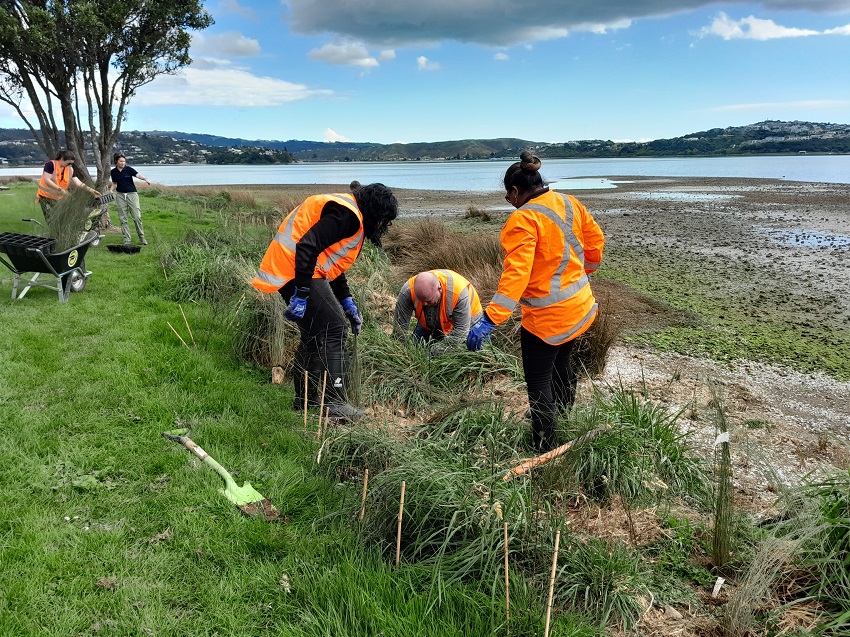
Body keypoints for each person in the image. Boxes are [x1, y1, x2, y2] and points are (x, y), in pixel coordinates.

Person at [466, 151, 605, 452]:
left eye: (508, 195)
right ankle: (564, 417)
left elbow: (516, 275)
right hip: (579, 307)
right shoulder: (570, 202)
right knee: (563, 367)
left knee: (539, 384)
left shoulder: (523, 219)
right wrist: (584, 272)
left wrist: (491, 319)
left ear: (515, 191)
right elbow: (595, 242)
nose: (508, 200)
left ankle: (545, 447)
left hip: (547, 320)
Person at [251, 183, 398, 421]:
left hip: (294, 269)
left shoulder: (346, 211)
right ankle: (335, 404)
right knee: (335, 329)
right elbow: (308, 245)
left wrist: (346, 299)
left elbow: (329, 261)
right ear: (375, 212)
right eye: (383, 220)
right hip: (296, 271)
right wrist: (302, 292)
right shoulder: (348, 215)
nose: (383, 227)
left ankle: (304, 402)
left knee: (313, 336)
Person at [393, 269, 482, 356]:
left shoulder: (458, 293)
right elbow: (399, 329)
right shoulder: (408, 291)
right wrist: (401, 353)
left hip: (471, 321)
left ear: (439, 288)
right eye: (421, 300)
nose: (424, 304)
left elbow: (460, 333)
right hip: (429, 322)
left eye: (428, 300)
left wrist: (432, 353)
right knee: (416, 348)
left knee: (477, 354)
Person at [36, 150, 100, 222]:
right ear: (62, 159)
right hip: (45, 196)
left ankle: (61, 231)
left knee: (62, 216)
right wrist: (61, 190)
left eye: (71, 164)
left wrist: (92, 191)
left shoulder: (69, 169)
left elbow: (78, 183)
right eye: (68, 163)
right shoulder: (51, 165)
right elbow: (47, 180)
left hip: (58, 197)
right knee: (51, 218)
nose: (70, 165)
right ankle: (55, 232)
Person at [110, 153, 151, 245]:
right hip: (120, 195)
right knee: (123, 218)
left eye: (124, 161)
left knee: (137, 217)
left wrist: (146, 179)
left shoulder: (129, 169)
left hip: (132, 194)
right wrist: (111, 190)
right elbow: (114, 183)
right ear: (116, 161)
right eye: (121, 161)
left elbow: (138, 175)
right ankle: (127, 239)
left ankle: (142, 237)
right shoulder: (113, 172)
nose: (123, 163)